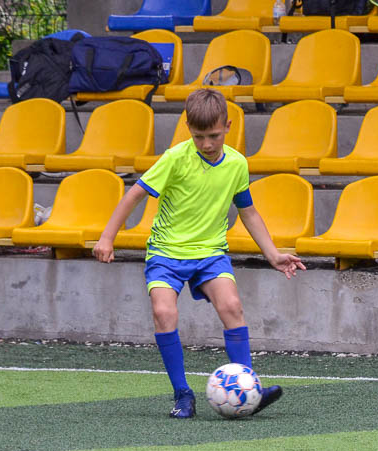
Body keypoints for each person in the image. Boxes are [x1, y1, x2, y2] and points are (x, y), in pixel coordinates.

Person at [93, 88, 305, 419]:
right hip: (166, 253)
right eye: (199, 136)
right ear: (189, 129)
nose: (207, 143)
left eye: (214, 135)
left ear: (228, 126)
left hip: (210, 253)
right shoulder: (176, 158)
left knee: (232, 306)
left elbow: (248, 212)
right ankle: (182, 395)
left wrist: (273, 254)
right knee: (165, 314)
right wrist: (107, 238)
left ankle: (250, 388)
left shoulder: (236, 164)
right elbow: (134, 194)